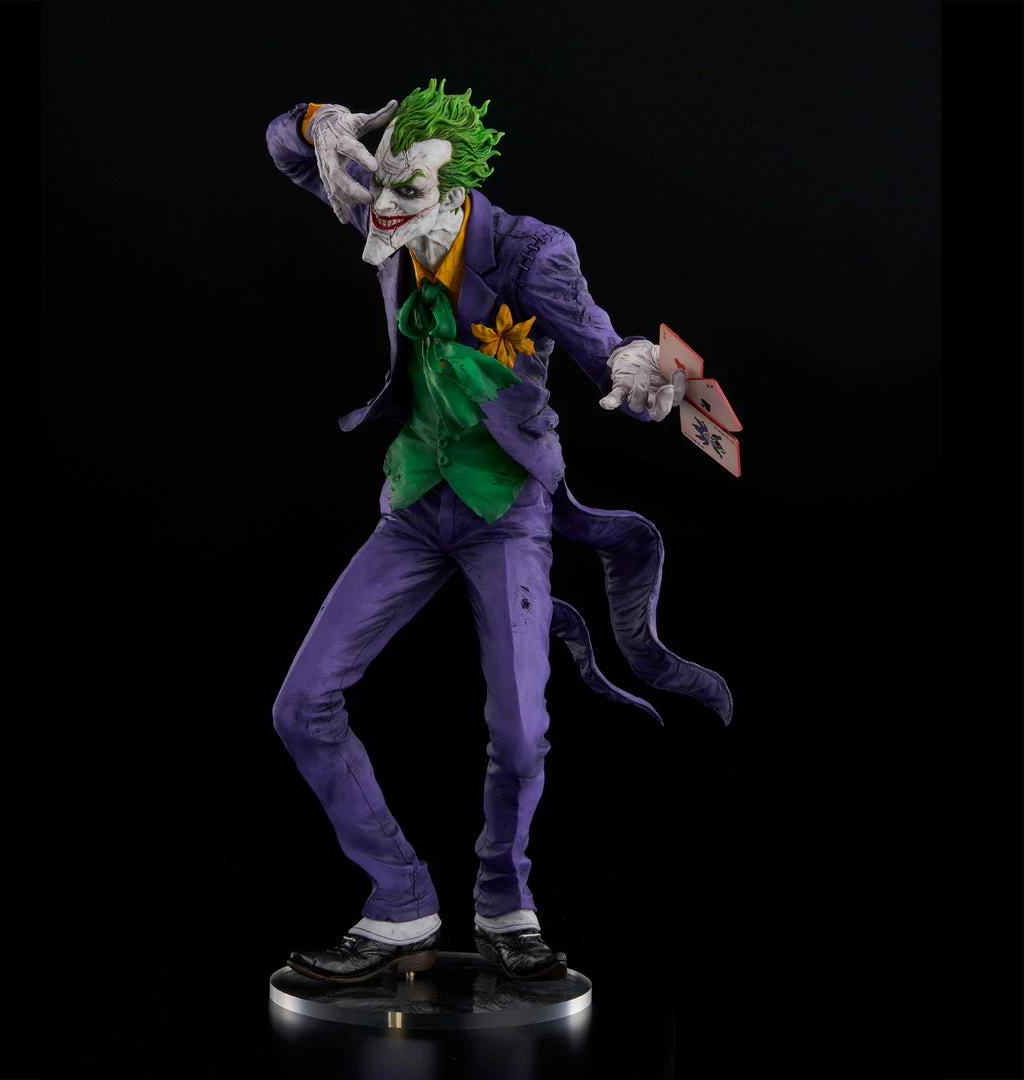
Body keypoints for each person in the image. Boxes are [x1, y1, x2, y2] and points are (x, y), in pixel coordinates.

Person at [266, 79, 731, 984]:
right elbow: (288, 149)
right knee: (301, 704)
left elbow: (600, 344)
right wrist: (324, 124)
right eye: (378, 183)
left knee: (520, 734)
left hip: (504, 509)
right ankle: (399, 902)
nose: (381, 205)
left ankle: (503, 901)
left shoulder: (527, 250)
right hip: (415, 501)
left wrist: (635, 364)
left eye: (408, 188)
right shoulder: (382, 198)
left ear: (456, 187)